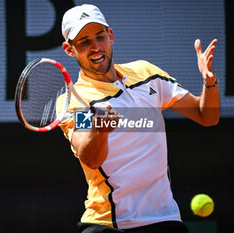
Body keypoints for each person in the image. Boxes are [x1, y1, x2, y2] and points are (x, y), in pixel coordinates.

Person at [57, 4, 220, 233]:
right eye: (84, 42)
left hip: (165, 220)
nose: (95, 47)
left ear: (110, 36)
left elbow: (207, 116)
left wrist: (209, 83)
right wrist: (100, 130)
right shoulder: (76, 100)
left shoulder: (147, 73)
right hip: (108, 223)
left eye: (100, 37)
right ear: (69, 49)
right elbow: (90, 157)